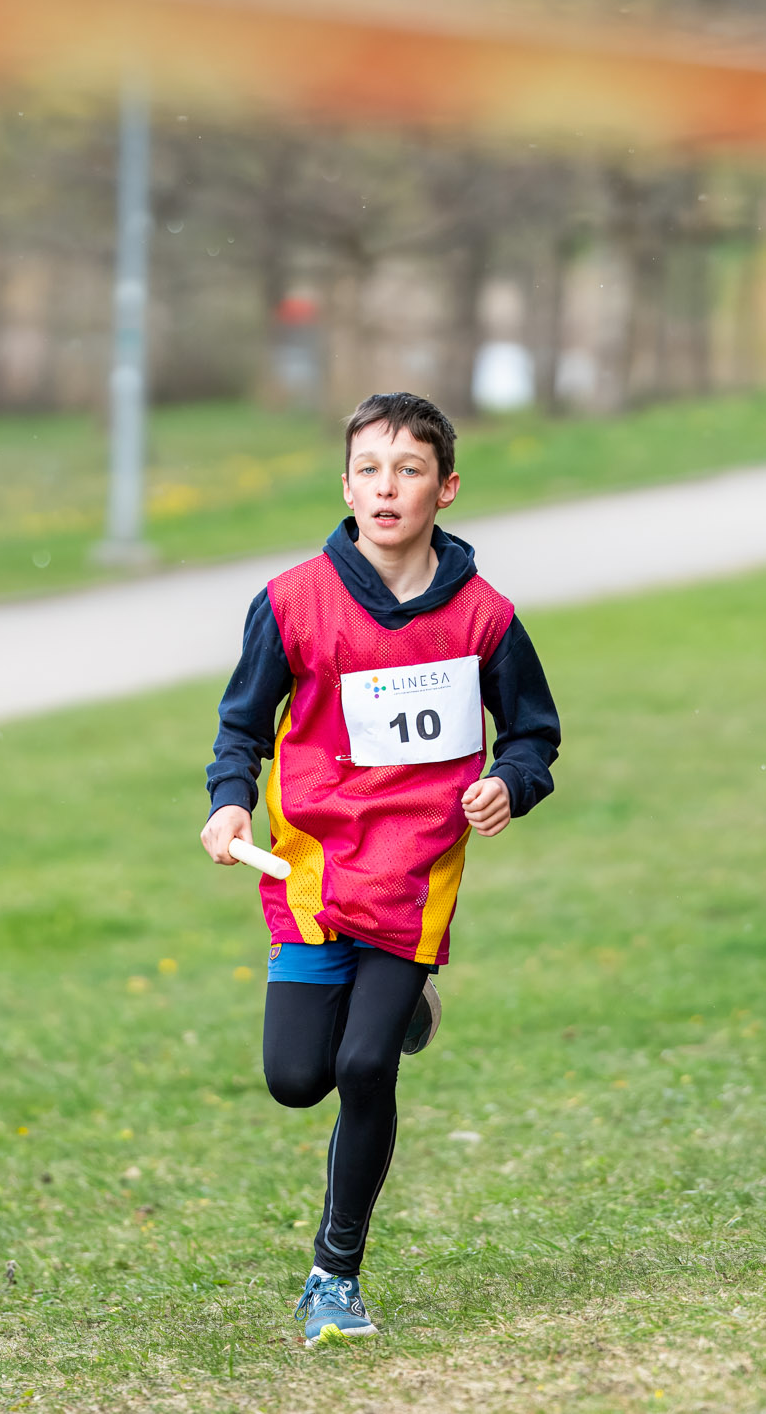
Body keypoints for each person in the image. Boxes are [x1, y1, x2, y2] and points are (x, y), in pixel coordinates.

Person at [200, 392, 561, 1346]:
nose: (388, 487)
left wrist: (509, 784)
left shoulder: (485, 616)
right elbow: (241, 727)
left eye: (409, 470)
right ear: (347, 487)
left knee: (364, 1068)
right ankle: (403, 1011)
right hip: (311, 870)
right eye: (370, 469)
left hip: (414, 875)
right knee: (296, 1078)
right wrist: (230, 800)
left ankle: (335, 1276)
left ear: (446, 488)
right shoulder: (292, 602)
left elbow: (533, 735)